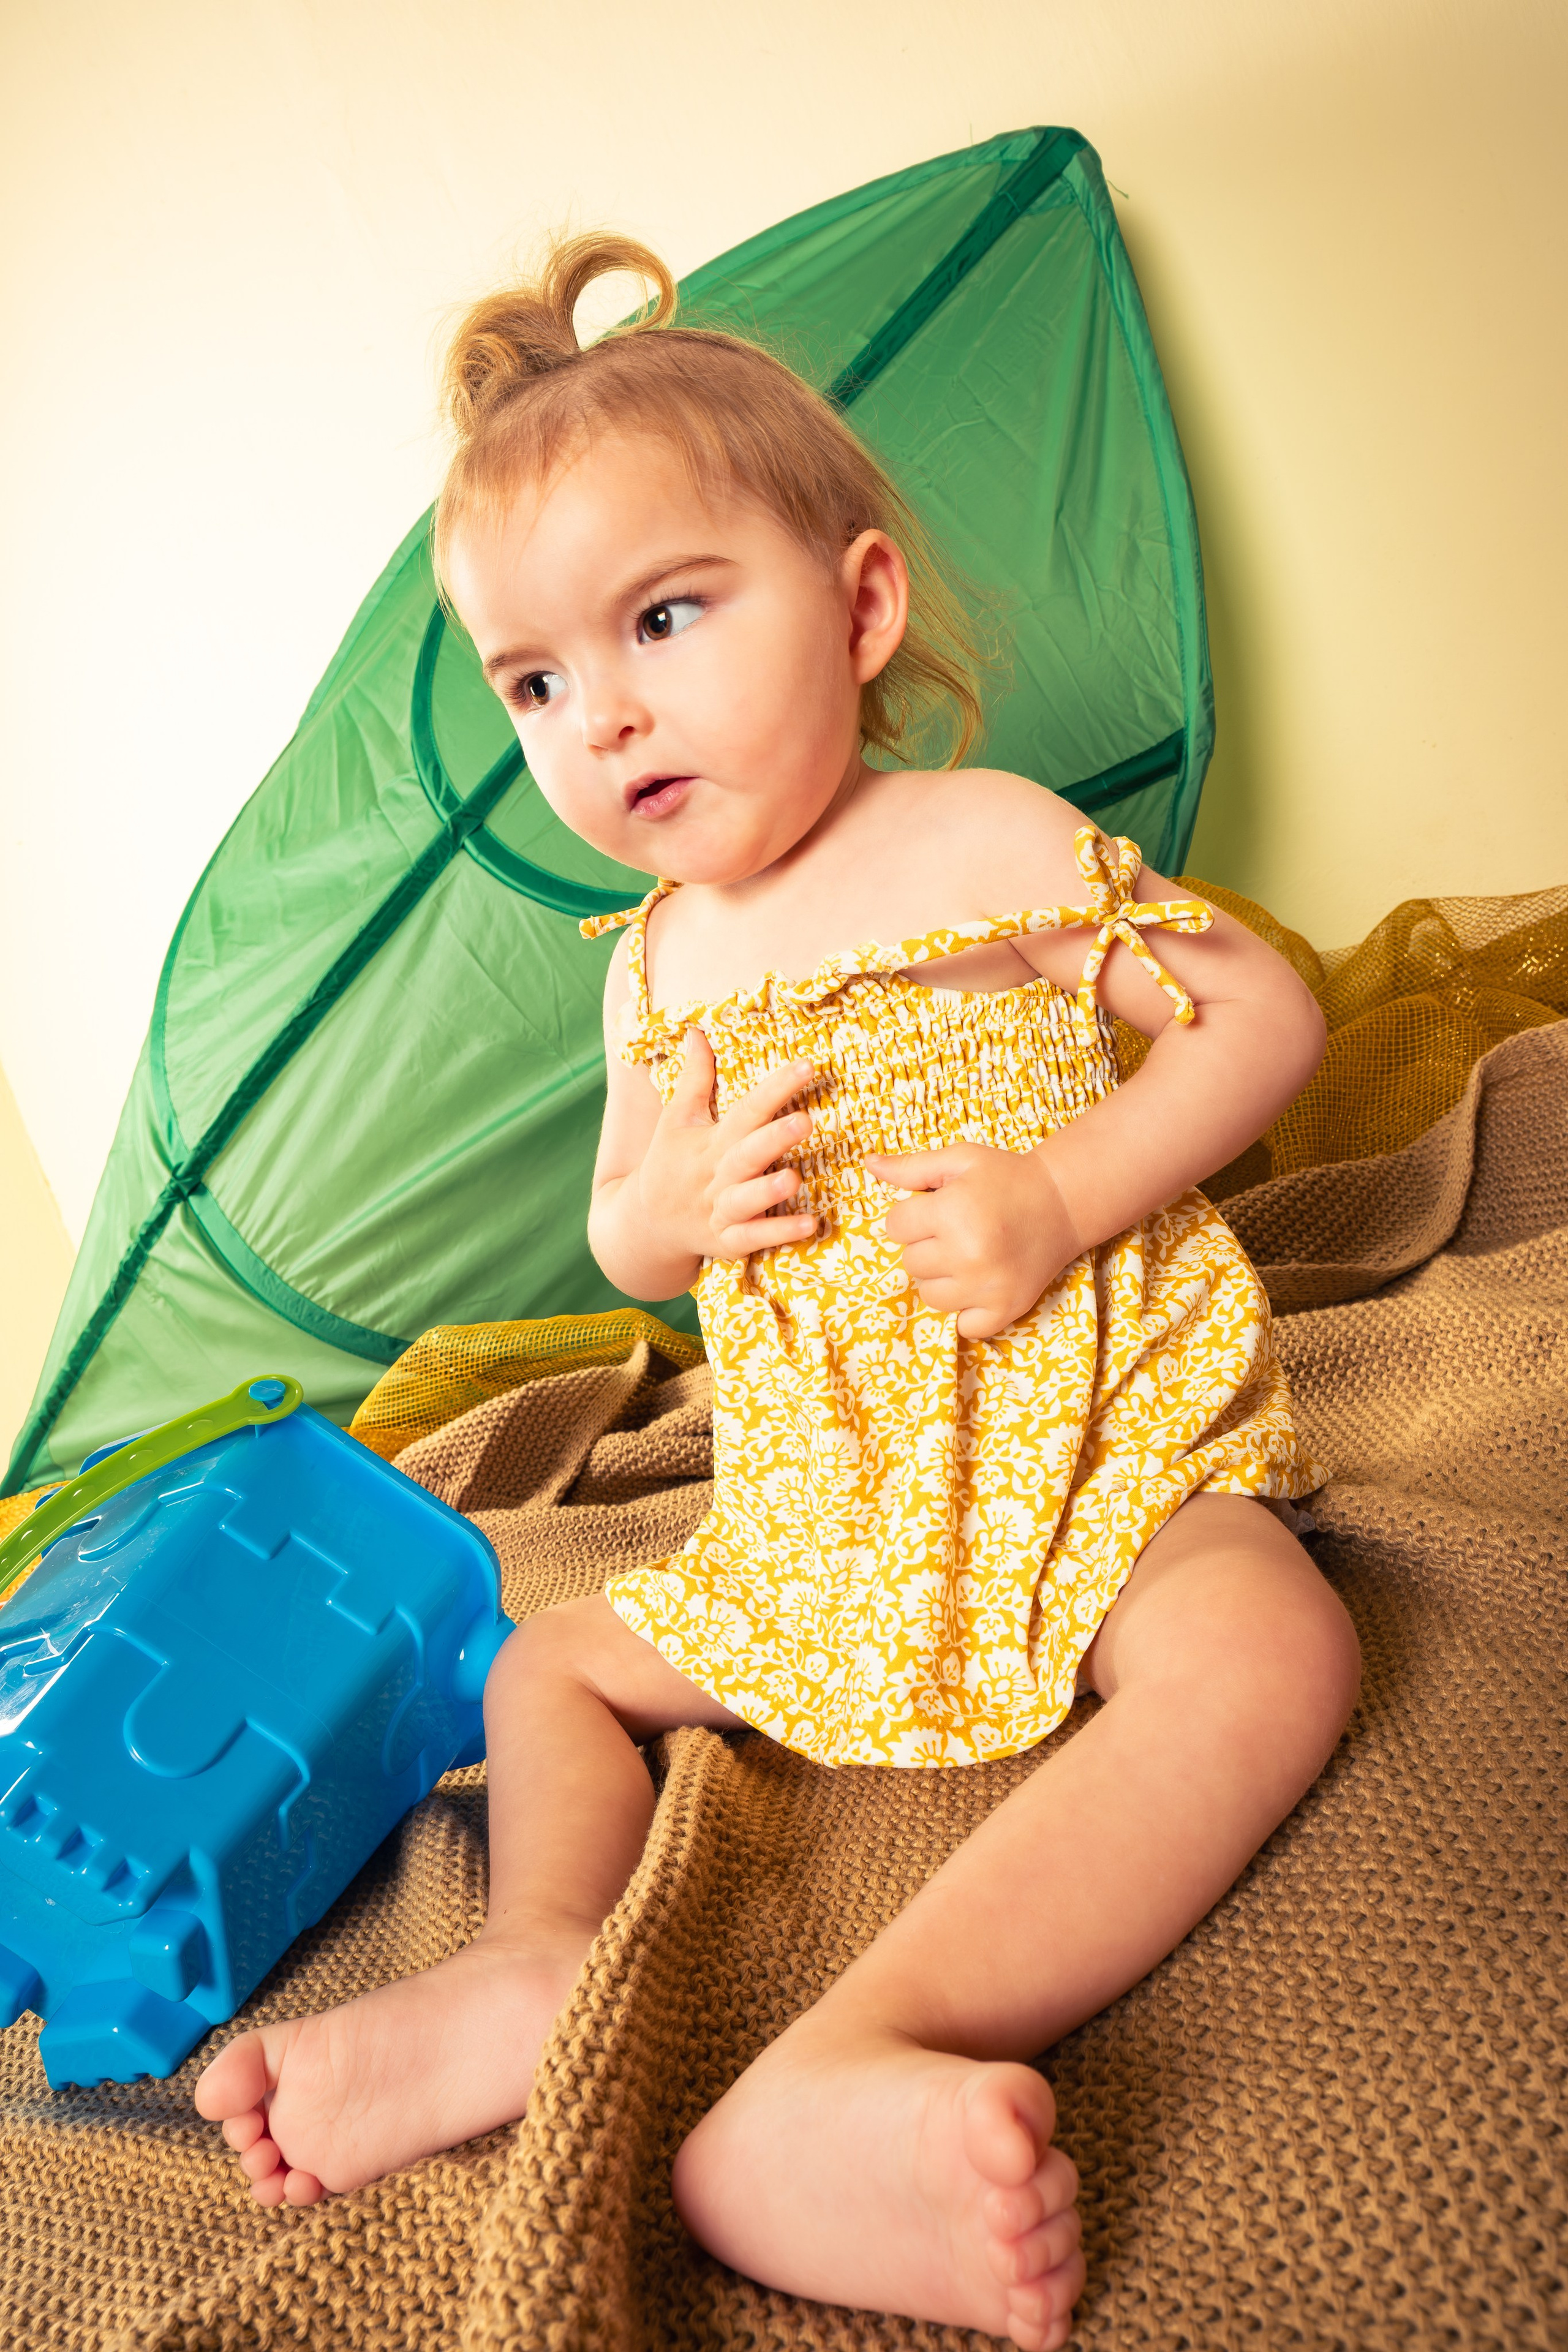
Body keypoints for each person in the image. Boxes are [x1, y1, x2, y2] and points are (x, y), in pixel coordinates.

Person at [196, 233, 1359, 2352]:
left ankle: (856, 2060)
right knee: (548, 1670)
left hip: (1083, 1451)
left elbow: (1263, 1019)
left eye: (661, 619)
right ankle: (544, 1956)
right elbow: (625, 1228)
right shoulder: (654, 967)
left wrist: (1066, 1191)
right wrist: (678, 1211)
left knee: (1265, 1640)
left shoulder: (991, 847)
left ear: (859, 605)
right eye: (534, 681)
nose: (602, 714)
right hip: (825, 1509)